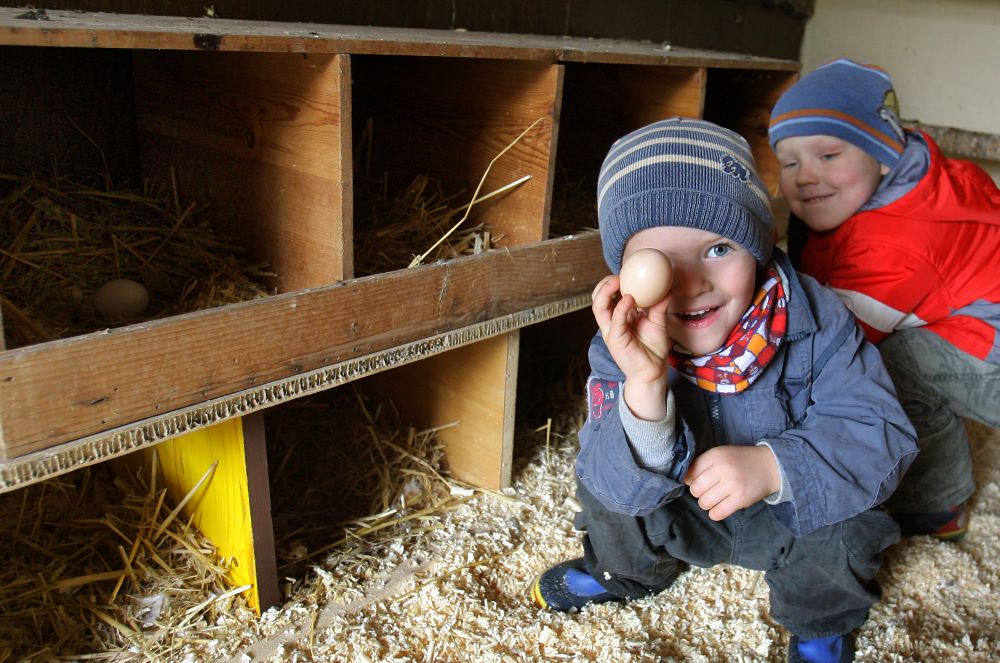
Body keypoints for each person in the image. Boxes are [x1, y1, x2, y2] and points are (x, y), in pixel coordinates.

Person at [529, 118, 917, 663]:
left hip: (788, 516)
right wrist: (645, 383)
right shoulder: (621, 343)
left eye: (717, 249)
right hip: (681, 510)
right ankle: (628, 573)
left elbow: (882, 433)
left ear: (761, 245)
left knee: (853, 514)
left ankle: (820, 621)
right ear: (626, 272)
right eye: (661, 262)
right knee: (604, 471)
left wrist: (775, 467)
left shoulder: (820, 320)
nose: (693, 283)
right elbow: (614, 481)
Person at [769, 58, 1000, 540]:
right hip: (973, 319)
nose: (806, 176)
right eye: (789, 163)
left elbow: (834, 342)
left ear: (883, 156)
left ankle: (935, 505)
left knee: (888, 367)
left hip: (991, 350)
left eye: (828, 155)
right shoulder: (907, 183)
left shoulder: (896, 243)